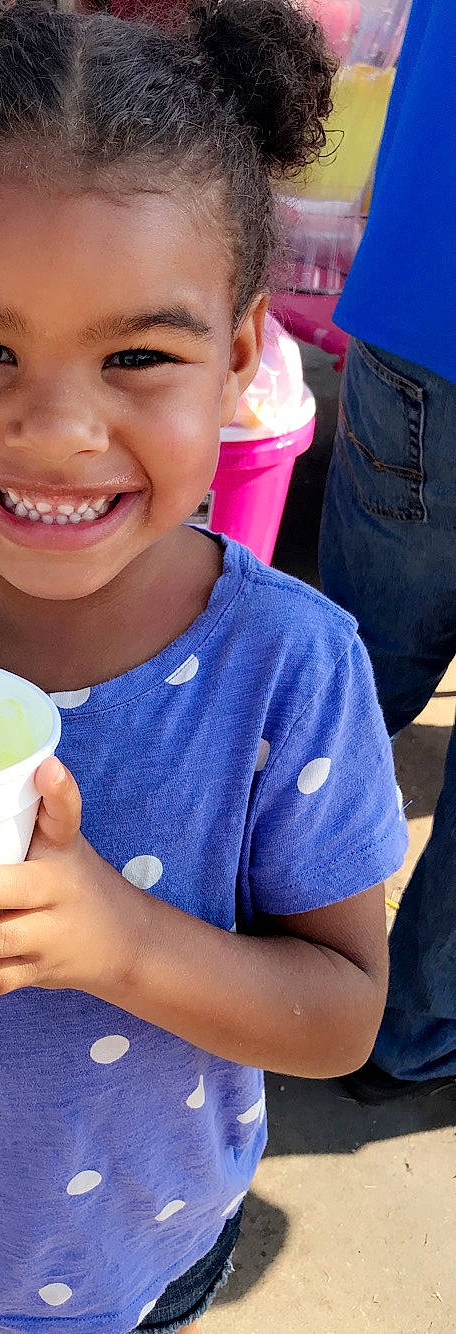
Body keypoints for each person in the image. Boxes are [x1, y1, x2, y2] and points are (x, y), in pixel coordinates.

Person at [0, 2, 407, 1331]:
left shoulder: (288, 666)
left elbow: (340, 1013)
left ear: (234, 361)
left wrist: (113, 938)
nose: (58, 430)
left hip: (139, 1237)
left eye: (136, 355)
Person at [319, 0, 456, 1103]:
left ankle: (235, 943)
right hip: (410, 301)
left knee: (350, 681)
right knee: (341, 684)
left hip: (418, 298)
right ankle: (410, 1032)